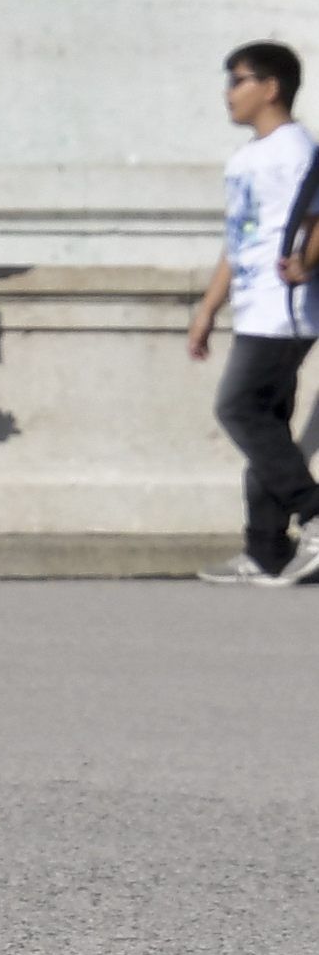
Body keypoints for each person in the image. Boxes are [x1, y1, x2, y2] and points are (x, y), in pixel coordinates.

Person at [191, 41, 319, 585]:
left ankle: (312, 511)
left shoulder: (296, 150)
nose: (228, 92)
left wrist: (307, 265)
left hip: (285, 312)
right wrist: (209, 307)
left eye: (237, 80)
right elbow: (237, 239)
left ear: (270, 87)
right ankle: (265, 550)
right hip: (253, 307)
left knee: (238, 410)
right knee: (267, 426)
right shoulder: (246, 158)